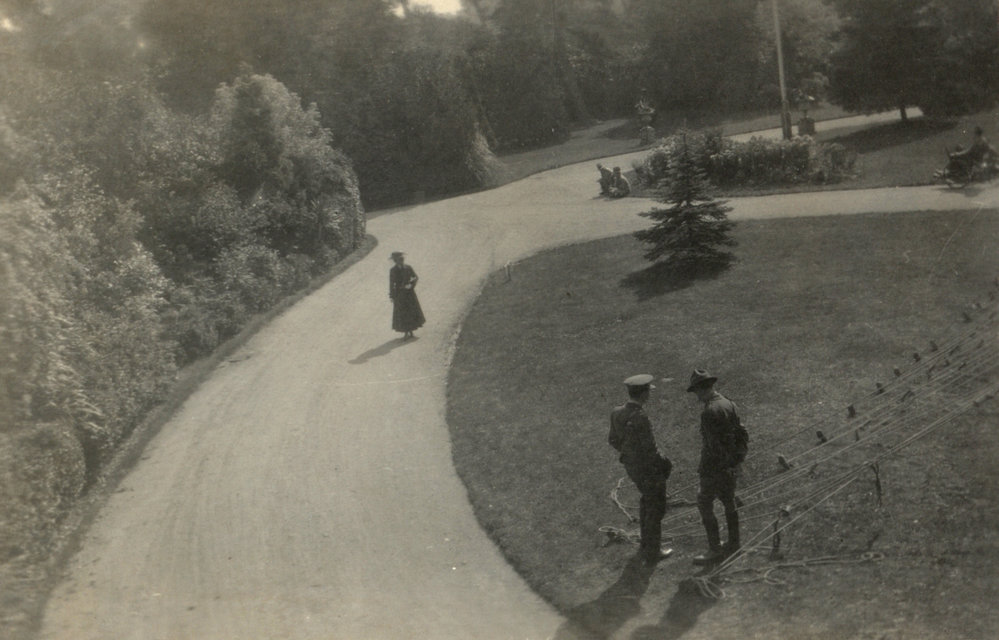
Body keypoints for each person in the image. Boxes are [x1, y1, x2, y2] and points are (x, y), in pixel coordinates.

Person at [609, 374, 674, 565]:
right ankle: (653, 552)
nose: (649, 395)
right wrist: (666, 463)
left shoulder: (616, 412)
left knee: (647, 501)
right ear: (644, 394)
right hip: (648, 470)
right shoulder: (641, 417)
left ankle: (646, 544)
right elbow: (650, 450)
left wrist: (629, 455)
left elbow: (613, 440)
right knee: (655, 508)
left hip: (632, 468)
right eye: (648, 391)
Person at [687, 369, 747, 566]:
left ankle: (714, 549)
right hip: (730, 464)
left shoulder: (709, 412)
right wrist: (736, 461)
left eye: (696, 391)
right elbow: (742, 434)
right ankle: (734, 542)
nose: (696, 396)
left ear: (701, 389)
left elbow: (714, 447)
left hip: (714, 468)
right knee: (729, 500)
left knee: (704, 502)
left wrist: (721, 466)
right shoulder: (729, 403)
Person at [389, 251, 425, 339]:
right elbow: (391, 284)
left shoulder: (408, 268)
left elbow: (415, 277)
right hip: (399, 294)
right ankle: (405, 332)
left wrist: (411, 285)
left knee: (411, 311)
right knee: (402, 313)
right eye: (399, 259)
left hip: (409, 293)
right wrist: (392, 296)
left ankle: (411, 331)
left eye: (402, 259)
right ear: (395, 261)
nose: (401, 261)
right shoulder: (393, 270)